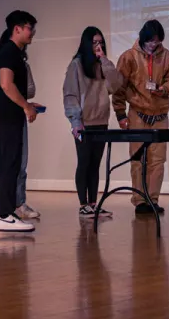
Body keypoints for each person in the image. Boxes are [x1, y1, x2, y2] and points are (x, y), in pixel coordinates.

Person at [112, 19, 169, 214]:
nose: (153, 45)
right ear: (143, 38)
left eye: (157, 42)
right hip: (137, 115)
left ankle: (153, 199)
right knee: (138, 159)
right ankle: (139, 200)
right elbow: (119, 88)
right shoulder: (128, 57)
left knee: (158, 161)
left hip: (160, 116)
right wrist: (120, 115)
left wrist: (164, 89)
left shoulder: (168, 57)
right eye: (150, 41)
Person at [0, 10, 42, 232]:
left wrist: (27, 104)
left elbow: (11, 88)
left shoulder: (14, 53)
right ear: (16, 29)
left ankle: (7, 214)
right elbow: (6, 85)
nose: (32, 33)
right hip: (5, 120)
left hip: (10, 117)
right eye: (29, 28)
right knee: (7, 165)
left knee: (12, 164)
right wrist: (25, 106)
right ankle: (5, 214)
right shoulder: (9, 52)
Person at [63, 27, 124, 216]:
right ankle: (83, 205)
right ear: (86, 44)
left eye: (101, 42)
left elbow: (115, 85)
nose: (98, 46)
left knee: (96, 164)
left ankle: (93, 203)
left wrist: (104, 60)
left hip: (101, 121)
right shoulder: (76, 65)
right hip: (83, 123)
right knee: (84, 162)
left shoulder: (103, 65)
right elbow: (70, 94)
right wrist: (75, 121)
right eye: (95, 42)